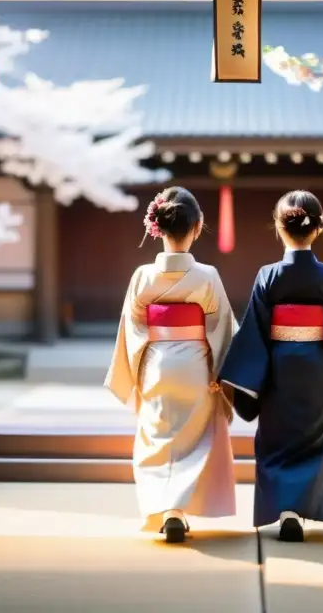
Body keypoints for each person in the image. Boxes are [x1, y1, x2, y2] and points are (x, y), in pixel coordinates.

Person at [219, 190, 323, 542]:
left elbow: (255, 330)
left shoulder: (267, 275)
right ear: (318, 229)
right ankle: (300, 508)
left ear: (278, 227)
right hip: (316, 368)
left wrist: (241, 378)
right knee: (313, 440)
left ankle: (284, 509)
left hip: (276, 368)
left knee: (275, 440)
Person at [106, 186, 238, 543]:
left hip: (156, 363)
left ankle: (166, 510)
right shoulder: (208, 276)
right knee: (195, 439)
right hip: (195, 366)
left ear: (158, 228)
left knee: (157, 437)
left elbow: (132, 328)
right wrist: (219, 374)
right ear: (197, 228)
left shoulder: (142, 276)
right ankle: (179, 508)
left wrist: (135, 370)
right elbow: (223, 328)